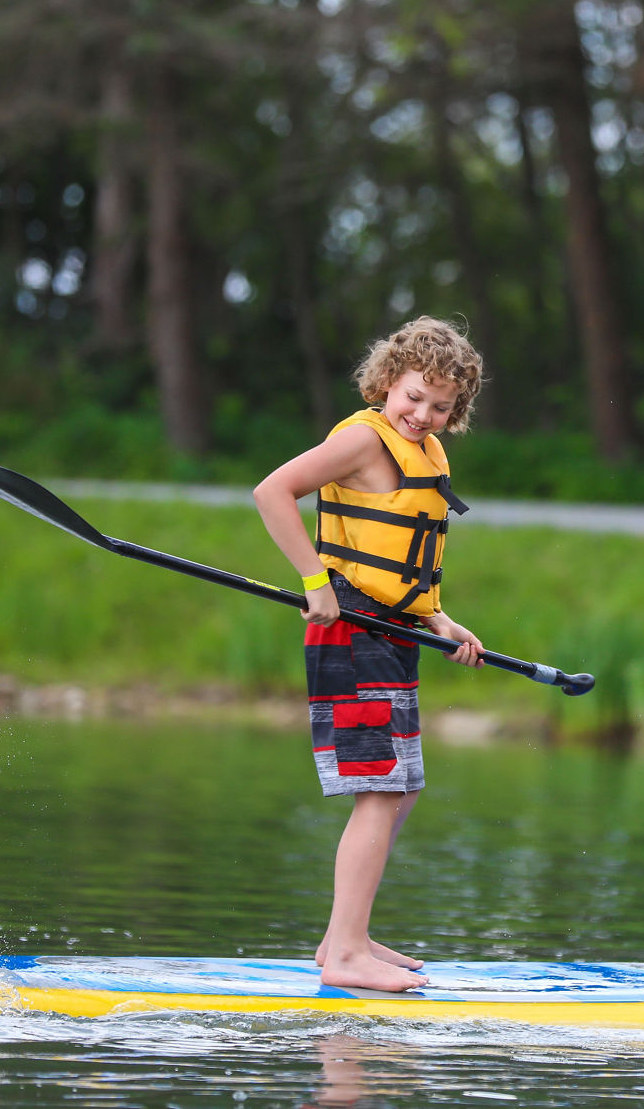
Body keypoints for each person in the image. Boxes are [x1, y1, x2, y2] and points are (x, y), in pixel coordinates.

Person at [253, 316, 485, 993]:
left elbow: (401, 566)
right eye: (415, 396)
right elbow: (271, 492)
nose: (423, 414)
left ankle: (341, 937)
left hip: (394, 629)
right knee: (381, 785)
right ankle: (349, 950)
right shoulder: (361, 439)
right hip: (350, 625)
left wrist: (441, 621)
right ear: (388, 381)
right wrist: (312, 580)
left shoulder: (426, 456)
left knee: (403, 785)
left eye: (442, 407)